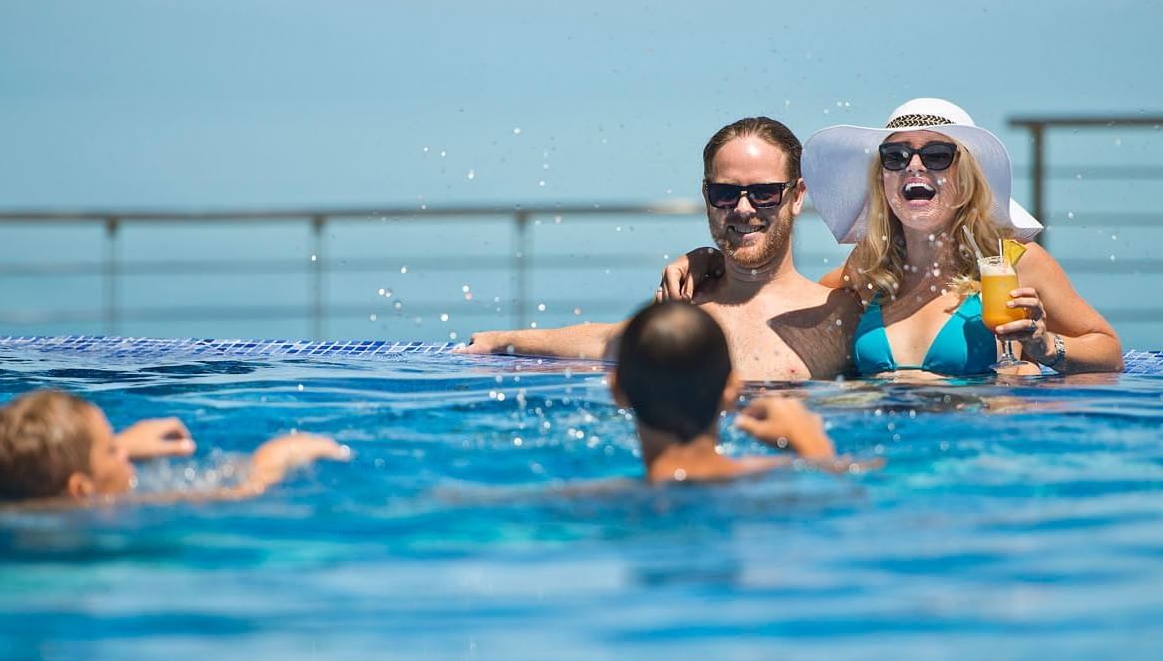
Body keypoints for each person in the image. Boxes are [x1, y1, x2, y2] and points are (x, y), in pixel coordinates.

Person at [663, 98, 1123, 377]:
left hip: (978, 453)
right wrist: (715, 262)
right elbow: (782, 292)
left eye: (937, 155)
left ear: (966, 177)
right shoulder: (869, 271)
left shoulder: (1013, 262)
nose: (914, 167)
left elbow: (1109, 350)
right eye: (896, 156)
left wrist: (1048, 349)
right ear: (882, 178)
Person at [461, 117, 860, 380]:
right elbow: (603, 341)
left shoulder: (840, 313)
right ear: (707, 196)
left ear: (797, 196)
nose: (742, 208)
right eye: (725, 193)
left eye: (764, 193)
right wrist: (498, 341)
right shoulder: (683, 307)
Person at [611, 302, 852, 482]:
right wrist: (812, 445)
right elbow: (846, 496)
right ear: (732, 388)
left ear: (617, 390)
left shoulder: (589, 500)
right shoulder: (771, 481)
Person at [0, 389, 349, 505]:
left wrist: (113, 447)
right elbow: (244, 492)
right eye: (111, 450)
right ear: (80, 488)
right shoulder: (113, 508)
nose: (124, 451)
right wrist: (280, 452)